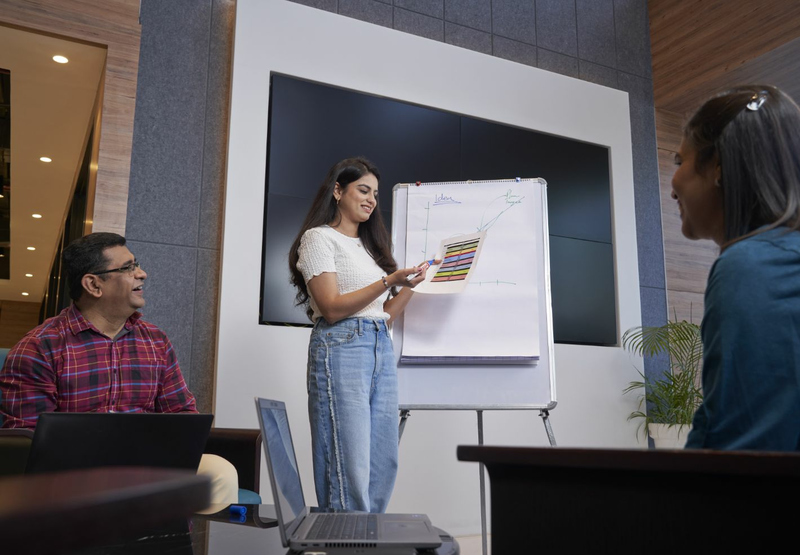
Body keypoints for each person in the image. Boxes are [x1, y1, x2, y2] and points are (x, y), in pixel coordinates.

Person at [0, 232, 239, 501]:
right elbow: (29, 442)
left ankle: (171, 541)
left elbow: (182, 413)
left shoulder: (155, 340)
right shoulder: (39, 347)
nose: (142, 274)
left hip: (149, 464)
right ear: (93, 285)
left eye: (136, 264)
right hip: (74, 473)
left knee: (220, 472)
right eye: (128, 268)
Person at [289, 157, 436, 512]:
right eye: (363, 190)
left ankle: (368, 539)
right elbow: (332, 307)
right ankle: (346, 542)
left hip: (378, 347)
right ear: (338, 191)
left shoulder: (371, 251)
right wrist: (388, 281)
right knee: (348, 459)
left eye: (375, 194)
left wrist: (413, 286)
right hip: (341, 347)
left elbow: (382, 316)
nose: (371, 199)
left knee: (382, 461)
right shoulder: (318, 239)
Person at [670, 85, 800, 451]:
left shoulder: (749, 267)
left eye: (680, 161)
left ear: (718, 169)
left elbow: (735, 447)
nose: (673, 187)